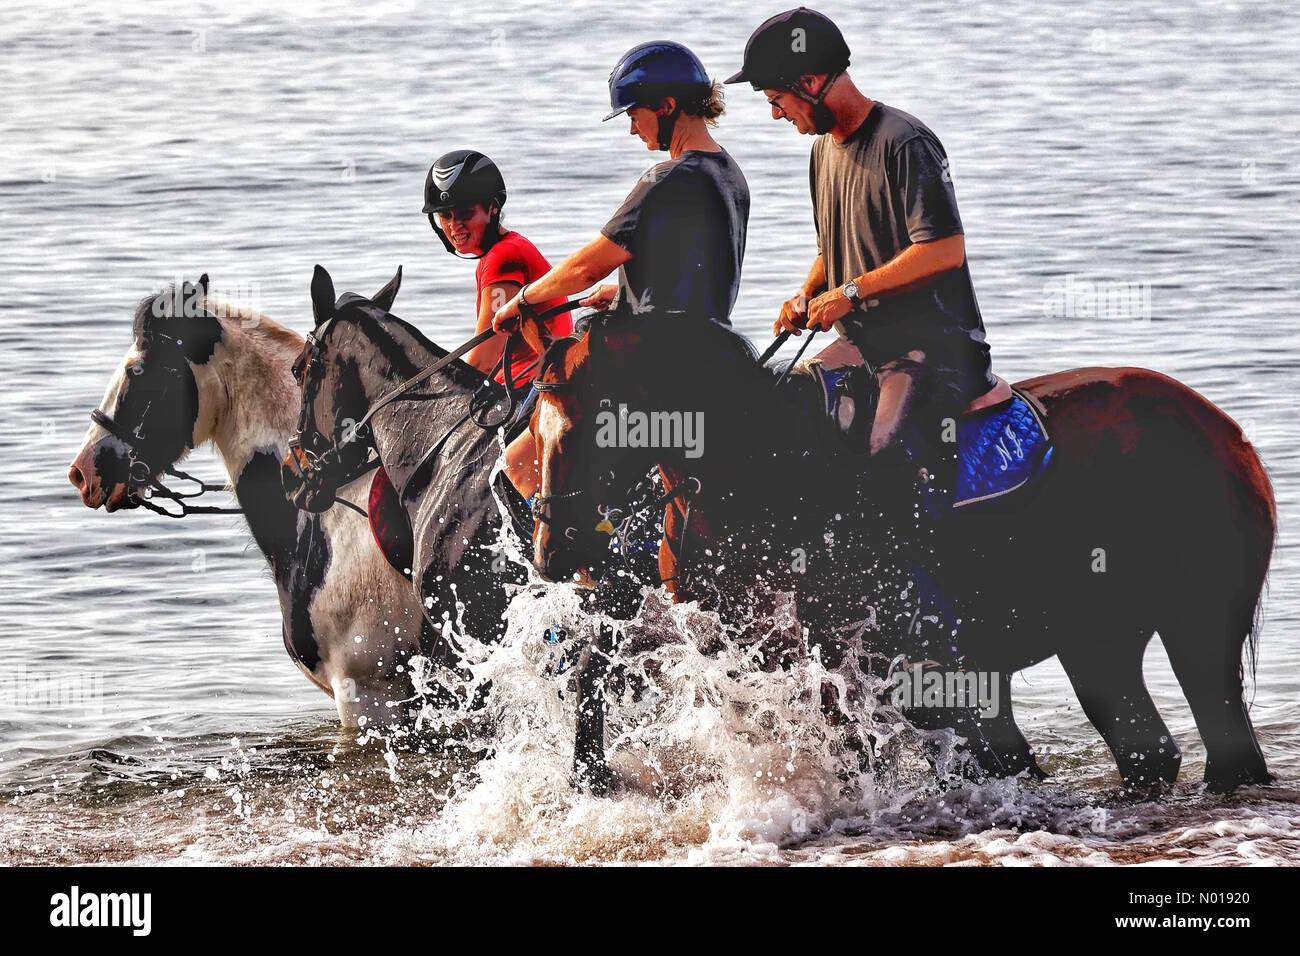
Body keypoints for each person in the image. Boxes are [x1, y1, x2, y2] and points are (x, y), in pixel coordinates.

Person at [726, 7, 995, 478]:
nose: (775, 114)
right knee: (780, 418)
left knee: (880, 463)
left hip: (932, 350)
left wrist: (850, 294)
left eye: (777, 99)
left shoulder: (905, 141)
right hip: (860, 345)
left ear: (809, 82)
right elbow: (833, 252)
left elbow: (944, 250)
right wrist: (807, 295)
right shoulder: (821, 151)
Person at [492, 41, 750, 498]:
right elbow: (697, 269)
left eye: (634, 114)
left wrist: (524, 298)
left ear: (667, 106)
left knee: (515, 466)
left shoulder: (665, 179)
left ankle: (555, 568)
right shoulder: (728, 172)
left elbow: (586, 266)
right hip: (711, 349)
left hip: (651, 361)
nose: (632, 129)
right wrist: (626, 291)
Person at [423, 149, 574, 385]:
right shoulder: (507, 248)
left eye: (465, 213)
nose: (454, 226)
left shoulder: (502, 257)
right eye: (445, 215)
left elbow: (483, 361)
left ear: (492, 208)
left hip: (528, 393)